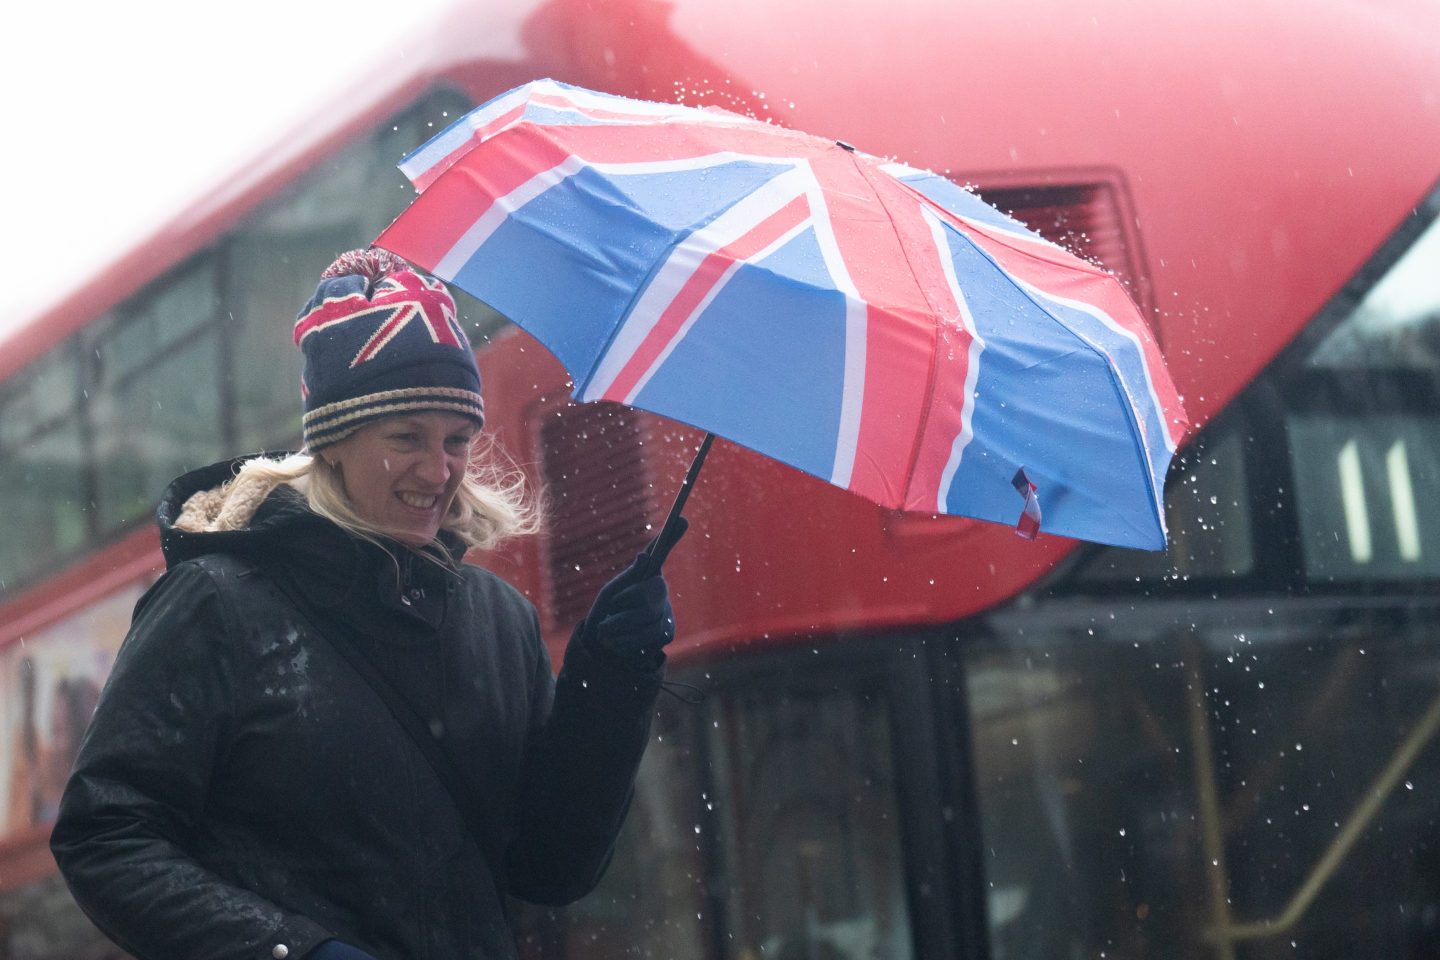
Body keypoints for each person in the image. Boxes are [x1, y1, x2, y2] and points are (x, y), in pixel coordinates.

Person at [50, 249, 685, 960]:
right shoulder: (216, 604)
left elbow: (550, 865)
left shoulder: (500, 620)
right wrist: (294, 951)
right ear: (335, 444)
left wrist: (611, 681)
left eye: (456, 441)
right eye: (406, 438)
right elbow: (104, 834)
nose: (438, 470)